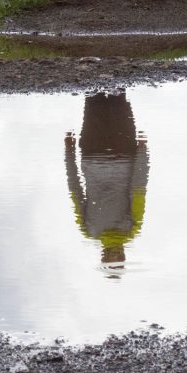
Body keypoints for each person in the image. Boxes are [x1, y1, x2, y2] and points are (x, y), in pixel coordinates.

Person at [65, 91, 149, 277]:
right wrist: (68, 154)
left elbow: (139, 188)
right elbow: (138, 189)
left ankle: (101, 66)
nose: (114, 254)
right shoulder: (97, 230)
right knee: (98, 97)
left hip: (117, 150)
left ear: (104, 256)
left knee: (114, 96)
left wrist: (143, 153)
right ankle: (102, 67)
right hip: (101, 151)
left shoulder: (126, 229)